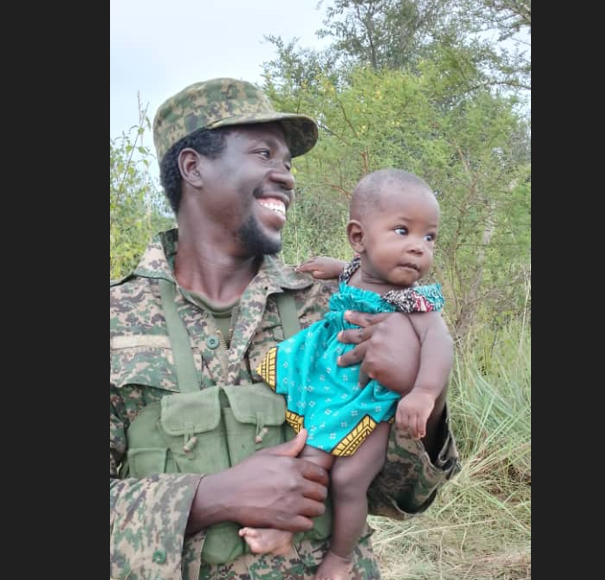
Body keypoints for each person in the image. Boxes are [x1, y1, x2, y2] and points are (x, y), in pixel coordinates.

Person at [110, 77, 460, 580]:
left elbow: (401, 496)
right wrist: (208, 498)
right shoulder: (116, 320)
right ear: (193, 167)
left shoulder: (339, 307)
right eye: (263, 154)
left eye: (288, 164)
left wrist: (425, 392)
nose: (287, 177)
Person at [238, 169, 453, 580]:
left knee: (349, 479)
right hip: (331, 384)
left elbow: (440, 343)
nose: (418, 247)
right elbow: (359, 271)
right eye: (403, 231)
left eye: (429, 238)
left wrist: (424, 391)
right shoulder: (357, 272)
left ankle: (341, 556)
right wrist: (333, 266)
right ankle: (285, 529)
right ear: (358, 238)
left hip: (373, 401)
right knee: (309, 459)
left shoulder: (411, 299)